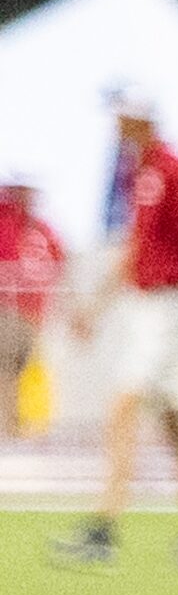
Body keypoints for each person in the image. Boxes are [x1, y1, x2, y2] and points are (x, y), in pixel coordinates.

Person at [57, 94, 178, 571]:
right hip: (151, 305)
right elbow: (136, 246)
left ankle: (103, 527)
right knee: (175, 415)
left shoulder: (172, 168)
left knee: (124, 403)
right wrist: (97, 305)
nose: (115, 125)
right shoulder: (140, 173)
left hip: (174, 305)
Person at [0, 173, 63, 438]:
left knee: (19, 368)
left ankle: (12, 422)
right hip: (6, 308)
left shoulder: (41, 229)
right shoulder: (5, 222)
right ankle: (7, 424)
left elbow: (59, 262)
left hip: (30, 311)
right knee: (5, 366)